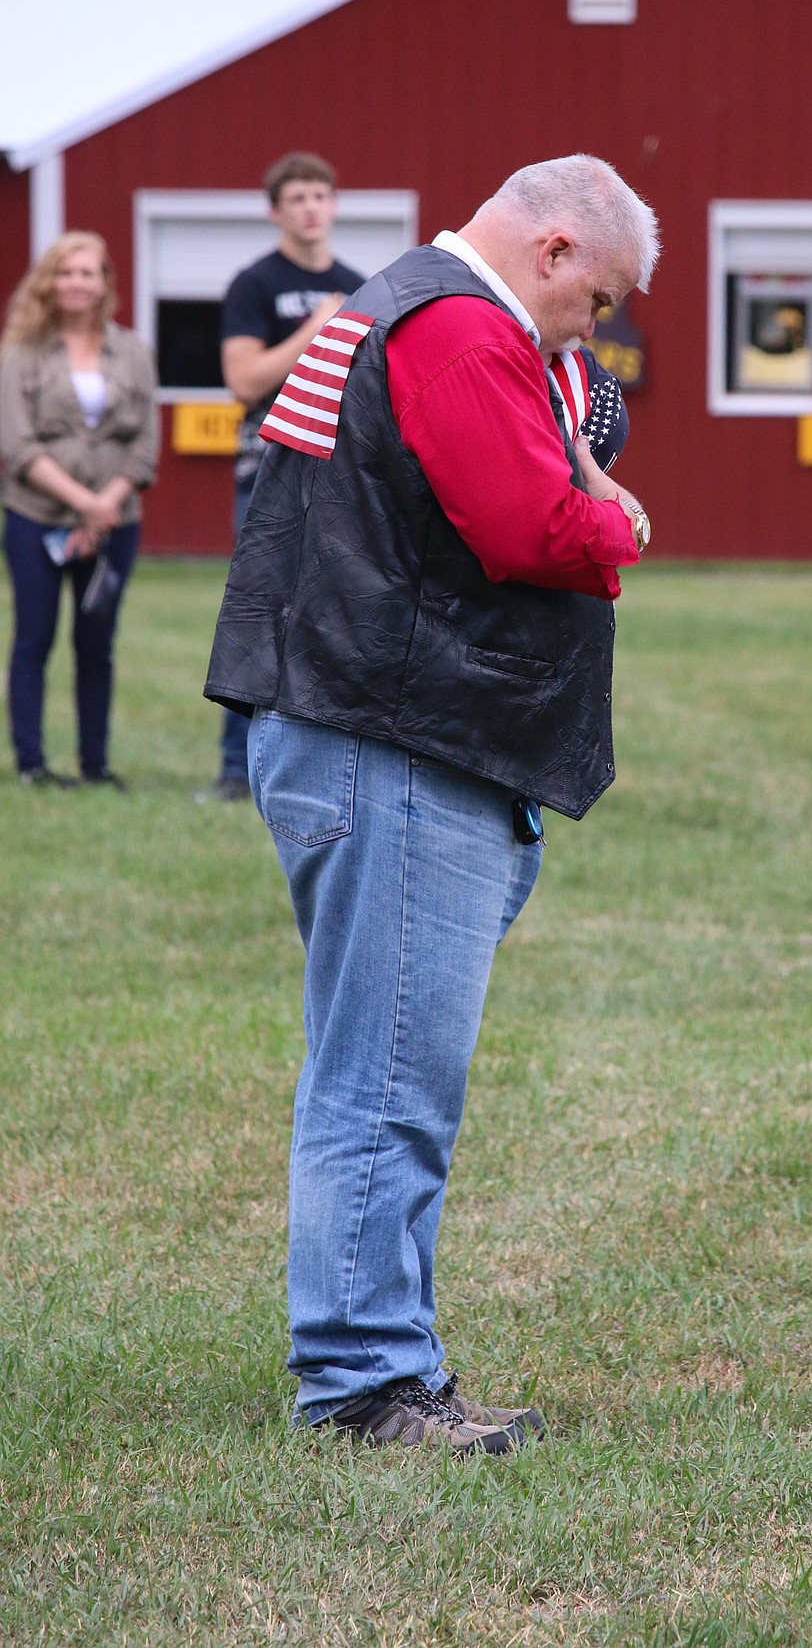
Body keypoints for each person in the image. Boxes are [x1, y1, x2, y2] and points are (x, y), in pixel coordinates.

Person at [205, 154, 658, 1455]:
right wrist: (615, 518)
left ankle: (388, 1357)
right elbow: (531, 526)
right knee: (387, 1078)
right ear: (557, 250)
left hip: (370, 723)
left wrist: (584, 471)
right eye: (601, 300)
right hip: (390, 737)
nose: (598, 329)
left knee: (387, 1070)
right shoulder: (458, 326)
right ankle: (362, 1383)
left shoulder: (410, 303)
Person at [212, 152, 365, 800]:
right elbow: (243, 381)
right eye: (297, 197)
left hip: (338, 476)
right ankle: (233, 770)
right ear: (276, 210)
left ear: (333, 206)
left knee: (337, 618)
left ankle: (325, 763)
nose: (310, 207)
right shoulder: (254, 284)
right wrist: (314, 328)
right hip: (268, 474)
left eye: (320, 196)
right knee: (257, 615)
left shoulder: (360, 284)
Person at [0, 232, 157, 788]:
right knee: (34, 636)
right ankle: (32, 764)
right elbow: (16, 445)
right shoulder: (21, 354)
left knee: (96, 642)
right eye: (66, 272)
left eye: (87, 273)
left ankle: (95, 764)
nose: (76, 283)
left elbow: (144, 445)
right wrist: (83, 503)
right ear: (49, 281)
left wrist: (106, 505)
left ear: (105, 283)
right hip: (35, 516)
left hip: (115, 523)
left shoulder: (132, 351)